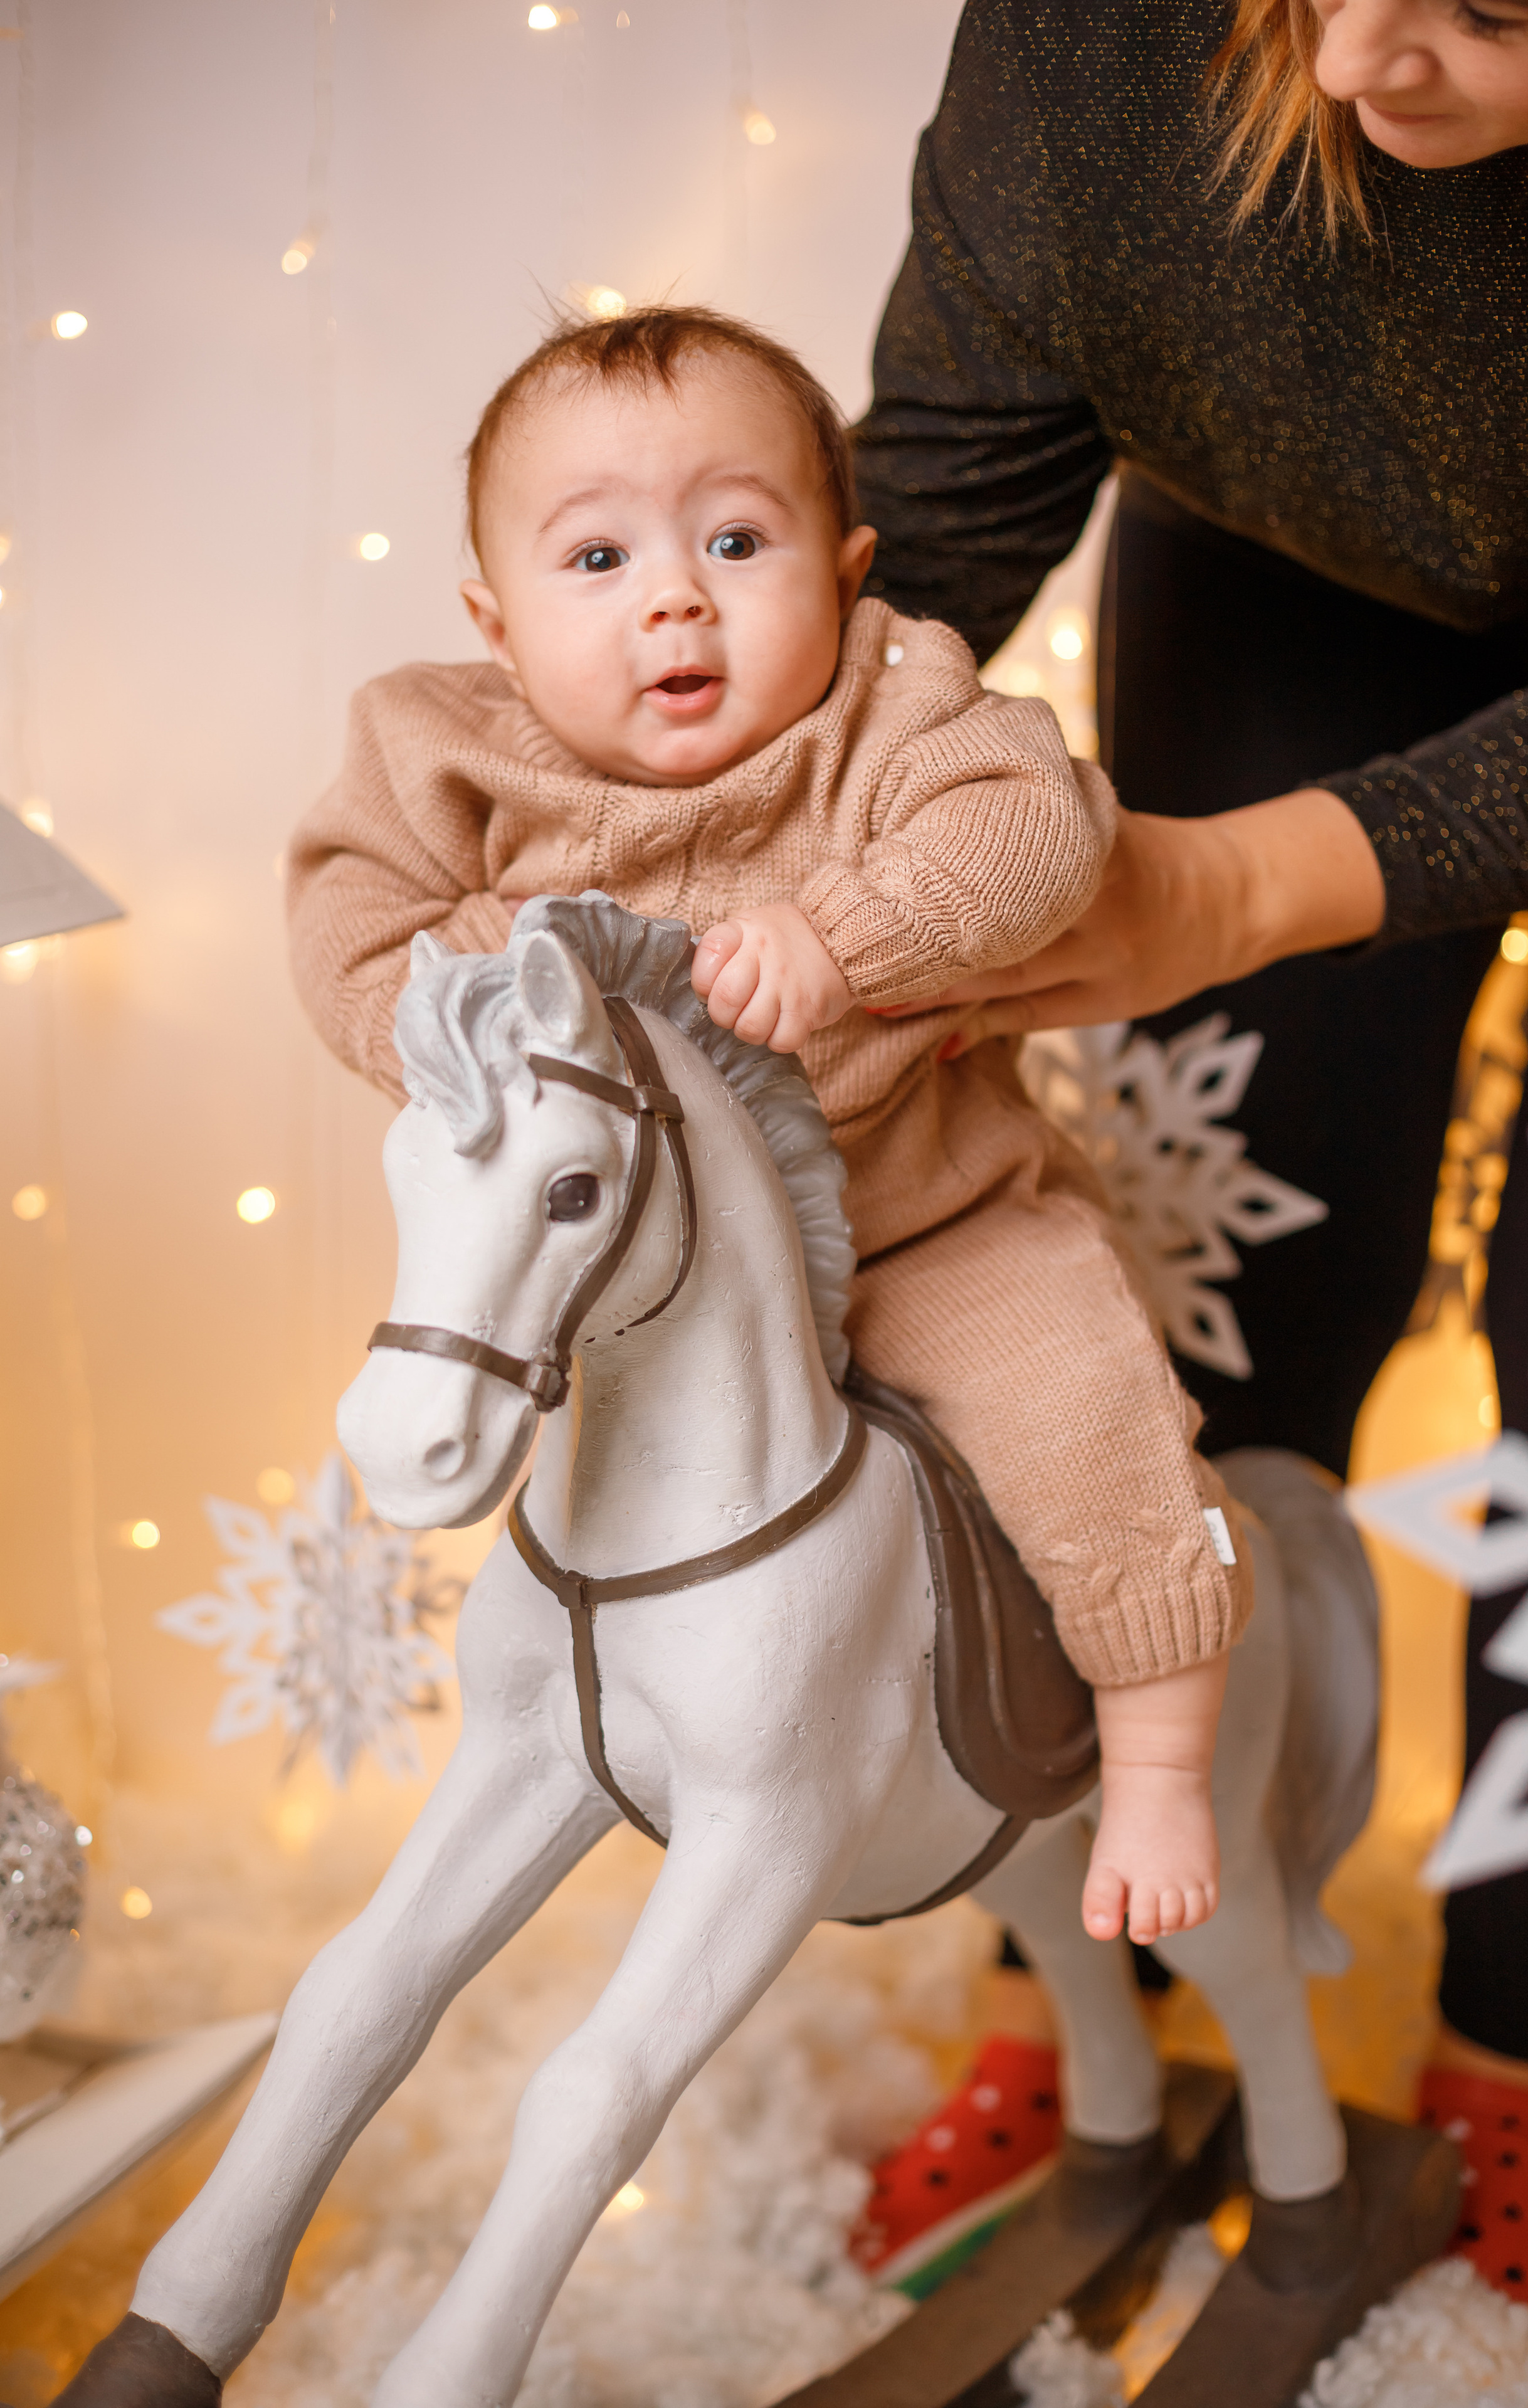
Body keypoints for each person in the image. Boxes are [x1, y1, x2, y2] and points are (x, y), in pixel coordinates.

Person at [850, 0, 1528, 2309]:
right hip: (1279, 566)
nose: (1363, 56)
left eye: (1486, 6)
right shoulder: (1107, 42)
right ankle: (1086, 1994)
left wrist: (1246, 884)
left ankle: (1516, 2046)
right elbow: (937, 516)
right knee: (1178, 1323)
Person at [285, 305, 1255, 1966]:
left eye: (737, 541)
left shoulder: (894, 708)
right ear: (495, 621)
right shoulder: (440, 748)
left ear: (849, 574)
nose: (675, 597)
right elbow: (351, 922)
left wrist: (850, 937)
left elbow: (1039, 826)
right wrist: (474, 1011)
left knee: (1085, 1405)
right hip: (641, 1281)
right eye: (597, 559)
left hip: (928, 1230)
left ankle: (1160, 1765)